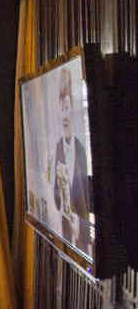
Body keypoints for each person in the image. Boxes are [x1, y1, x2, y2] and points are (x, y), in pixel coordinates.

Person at [52, 66, 91, 253]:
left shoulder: (82, 150)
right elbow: (56, 195)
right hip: (65, 236)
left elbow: (88, 201)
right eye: (62, 108)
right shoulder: (58, 147)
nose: (65, 114)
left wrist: (81, 226)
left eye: (67, 107)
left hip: (81, 240)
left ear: (73, 110)